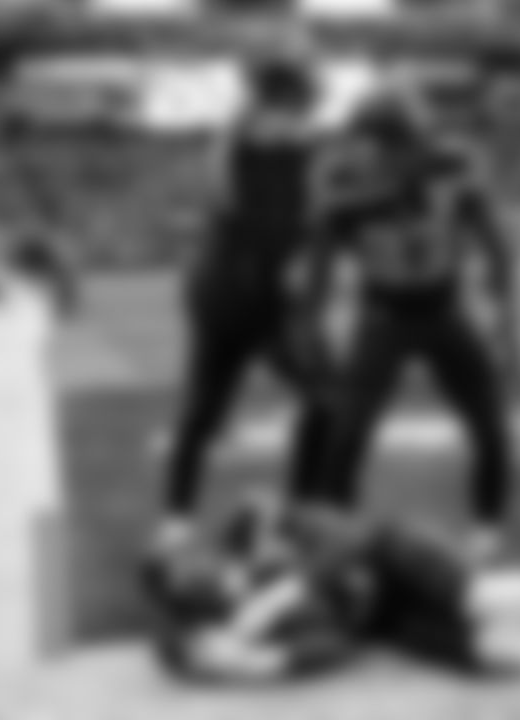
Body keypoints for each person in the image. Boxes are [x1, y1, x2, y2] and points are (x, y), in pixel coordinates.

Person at [140, 494, 520, 682]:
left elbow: (352, 539)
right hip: (384, 617)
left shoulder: (260, 530)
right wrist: (262, 661)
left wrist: (280, 593)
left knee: (478, 600)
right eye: (180, 579)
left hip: (394, 552)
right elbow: (338, 646)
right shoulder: (226, 624)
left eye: (186, 562)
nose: (192, 571)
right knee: (483, 655)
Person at [304, 94, 520, 563]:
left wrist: (507, 323)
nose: (372, 157)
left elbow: (497, 246)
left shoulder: (453, 166)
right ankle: (337, 535)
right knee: (347, 431)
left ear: (410, 143)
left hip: (444, 310)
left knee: (489, 423)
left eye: (384, 146)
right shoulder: (344, 178)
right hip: (383, 315)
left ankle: (486, 532)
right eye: (369, 146)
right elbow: (320, 257)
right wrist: (313, 325)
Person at [152, 52, 335, 557]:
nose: (302, 118)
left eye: (303, 108)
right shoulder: (238, 147)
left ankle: (302, 514)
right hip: (225, 299)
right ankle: (176, 518)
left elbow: (314, 219)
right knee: (203, 414)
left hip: (275, 302)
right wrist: (260, 97)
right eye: (294, 105)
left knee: (328, 401)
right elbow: (231, 168)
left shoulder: (306, 154)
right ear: (267, 105)